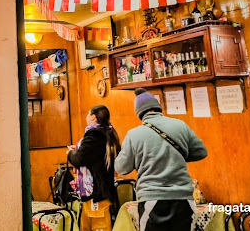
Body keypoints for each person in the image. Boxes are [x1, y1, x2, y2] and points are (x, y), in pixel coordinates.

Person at [114, 88, 208, 231]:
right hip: (183, 198)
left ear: (139, 112)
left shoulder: (134, 135)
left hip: (151, 198)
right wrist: (174, 157)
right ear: (158, 107)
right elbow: (201, 152)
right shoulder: (180, 125)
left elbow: (121, 168)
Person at [67, 105, 122, 231]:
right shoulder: (108, 132)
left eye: (88, 114)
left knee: (96, 226)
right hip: (101, 191)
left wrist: (71, 153)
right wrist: (78, 151)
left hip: (95, 192)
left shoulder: (95, 135)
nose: (86, 117)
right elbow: (90, 155)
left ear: (93, 117)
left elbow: (79, 159)